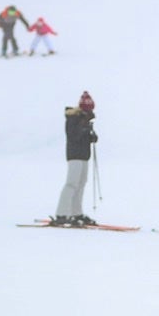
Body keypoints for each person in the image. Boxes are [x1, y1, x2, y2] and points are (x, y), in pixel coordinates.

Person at [51, 91, 98, 227]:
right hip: (74, 156)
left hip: (83, 156)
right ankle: (62, 214)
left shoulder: (84, 120)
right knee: (71, 184)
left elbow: (82, 137)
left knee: (81, 184)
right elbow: (73, 136)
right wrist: (84, 128)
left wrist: (91, 136)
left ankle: (76, 213)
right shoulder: (73, 118)